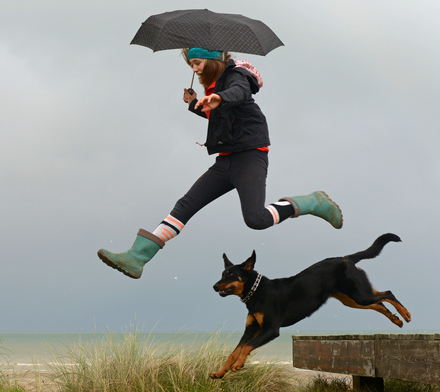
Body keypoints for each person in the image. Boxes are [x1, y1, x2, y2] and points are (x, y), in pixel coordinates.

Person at [97, 47, 342, 279]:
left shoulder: (237, 75)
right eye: (191, 64)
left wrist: (219, 97)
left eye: (197, 63)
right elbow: (219, 115)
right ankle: (137, 257)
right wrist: (195, 103)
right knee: (185, 205)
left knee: (256, 219)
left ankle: (311, 202)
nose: (194, 69)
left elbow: (239, 93)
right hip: (225, 161)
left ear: (212, 61)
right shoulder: (214, 88)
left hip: (250, 156)